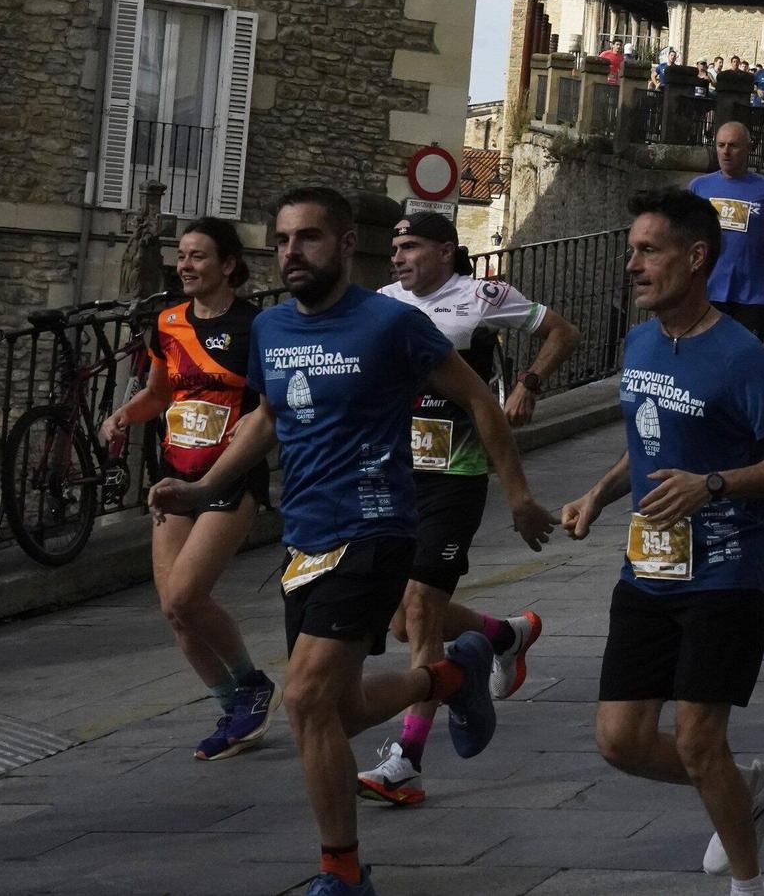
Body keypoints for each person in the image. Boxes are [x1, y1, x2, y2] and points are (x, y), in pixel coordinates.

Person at [149, 187, 549, 896]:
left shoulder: (389, 322)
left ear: (343, 244)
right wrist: (204, 486)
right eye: (281, 240)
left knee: (304, 699)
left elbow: (476, 397)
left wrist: (517, 495)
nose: (291, 252)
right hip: (305, 536)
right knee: (341, 709)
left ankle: (343, 871)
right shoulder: (271, 328)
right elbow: (266, 417)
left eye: (307, 237)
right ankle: (450, 674)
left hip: (375, 526)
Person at [556, 191, 764, 896]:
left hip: (723, 574)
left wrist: (714, 484)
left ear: (697, 257)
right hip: (647, 570)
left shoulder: (741, 357)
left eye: (649, 251)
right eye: (632, 251)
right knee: (619, 739)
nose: (633, 265)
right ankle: (750, 785)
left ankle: (749, 885)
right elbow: (651, 439)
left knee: (698, 740)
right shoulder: (641, 341)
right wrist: (598, 494)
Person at [354, 211, 576, 808]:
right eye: (394, 246)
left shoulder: (483, 297)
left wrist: (529, 382)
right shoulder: (382, 303)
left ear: (446, 251)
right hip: (397, 477)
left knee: (421, 612)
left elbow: (563, 331)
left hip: (456, 474)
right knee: (403, 622)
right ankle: (504, 635)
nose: (397, 257)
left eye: (411, 246)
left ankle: (406, 760)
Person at [101, 217, 275, 761]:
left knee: (185, 595)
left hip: (229, 479)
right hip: (174, 477)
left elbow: (271, 408)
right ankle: (232, 707)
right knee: (173, 611)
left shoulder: (256, 328)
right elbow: (159, 393)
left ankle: (252, 685)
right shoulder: (167, 322)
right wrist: (123, 416)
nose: (185, 265)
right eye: (182, 256)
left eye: (198, 256)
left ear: (229, 264)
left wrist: (245, 435)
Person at [690, 123, 764, 341]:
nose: (725, 152)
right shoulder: (699, 187)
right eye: (721, 145)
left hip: (753, 296)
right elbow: (680, 232)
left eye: (733, 146)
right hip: (708, 291)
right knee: (707, 356)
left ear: (749, 148)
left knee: (744, 357)